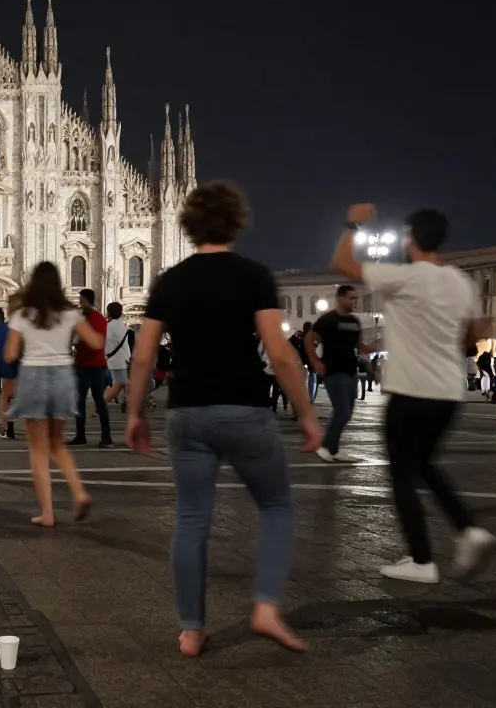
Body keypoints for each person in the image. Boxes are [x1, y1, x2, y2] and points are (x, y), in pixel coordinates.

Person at [125, 180, 316, 657]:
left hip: (187, 412)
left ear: (188, 225)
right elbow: (280, 353)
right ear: (236, 222)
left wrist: (133, 413)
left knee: (191, 520)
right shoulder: (253, 276)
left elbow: (144, 356)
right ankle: (266, 607)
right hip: (244, 408)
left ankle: (191, 629)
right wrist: (307, 414)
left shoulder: (170, 280)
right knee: (275, 507)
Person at [333, 203, 496, 582]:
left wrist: (353, 222)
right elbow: (475, 336)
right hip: (448, 393)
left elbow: (343, 262)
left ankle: (422, 560)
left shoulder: (404, 277)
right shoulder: (460, 281)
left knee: (402, 474)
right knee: (423, 463)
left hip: (410, 392)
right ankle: (469, 529)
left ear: (408, 238)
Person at [6, 262, 99, 527]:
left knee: (37, 449)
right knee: (56, 444)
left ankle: (47, 513)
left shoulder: (22, 314)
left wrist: (25, 346)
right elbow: (95, 342)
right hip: (62, 376)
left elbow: (10, 354)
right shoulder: (69, 313)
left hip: (34, 375)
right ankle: (79, 492)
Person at [305, 285, 370, 463]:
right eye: (351, 298)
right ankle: (325, 446)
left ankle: (333, 449)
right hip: (333, 371)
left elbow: (358, 343)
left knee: (347, 413)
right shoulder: (328, 320)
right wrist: (315, 361)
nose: (354, 301)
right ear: (340, 298)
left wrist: (365, 351)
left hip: (351, 371)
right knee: (342, 411)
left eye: (356, 298)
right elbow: (309, 339)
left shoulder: (354, 321)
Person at [70, 289, 113, 447]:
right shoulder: (85, 318)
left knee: (98, 400)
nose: (79, 303)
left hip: (95, 365)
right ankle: (80, 435)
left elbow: (95, 343)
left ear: (87, 300)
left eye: (81, 300)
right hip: (82, 365)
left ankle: (106, 437)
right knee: (79, 401)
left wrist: (79, 342)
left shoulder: (97, 318)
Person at [0, 293, 23, 440]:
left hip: (7, 365)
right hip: (26, 365)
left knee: (6, 397)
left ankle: (7, 429)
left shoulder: (0, 329)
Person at [102, 302, 133, 408]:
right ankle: (133, 405)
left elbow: (105, 343)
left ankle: (99, 408)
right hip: (122, 360)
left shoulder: (110, 326)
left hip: (117, 361)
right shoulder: (121, 325)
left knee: (120, 385)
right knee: (122, 384)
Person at [290, 324, 317, 404]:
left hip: (300, 360)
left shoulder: (298, 335)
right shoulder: (311, 336)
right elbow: (315, 345)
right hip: (308, 360)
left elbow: (291, 342)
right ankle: (310, 399)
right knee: (312, 379)